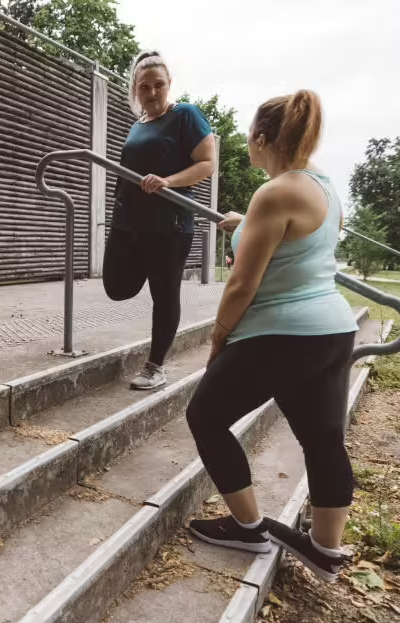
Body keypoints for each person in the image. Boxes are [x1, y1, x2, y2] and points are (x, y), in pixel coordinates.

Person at [183, 89, 359, 581]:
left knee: (205, 416)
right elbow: (295, 241)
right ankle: (326, 549)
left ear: (260, 138)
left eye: (248, 138)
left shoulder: (275, 192)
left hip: (282, 334)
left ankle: (247, 527)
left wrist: (219, 338)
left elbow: (243, 283)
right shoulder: (322, 186)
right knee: (323, 439)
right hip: (332, 331)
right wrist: (242, 225)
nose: (248, 145)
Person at [104, 50, 216, 390]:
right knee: (116, 286)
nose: (152, 92)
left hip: (169, 224)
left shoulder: (185, 115)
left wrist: (168, 181)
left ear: (169, 85)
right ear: (135, 88)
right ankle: (149, 269)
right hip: (129, 222)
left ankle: (156, 366)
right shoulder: (137, 124)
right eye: (144, 86)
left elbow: (207, 163)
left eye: (158, 85)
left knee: (164, 295)